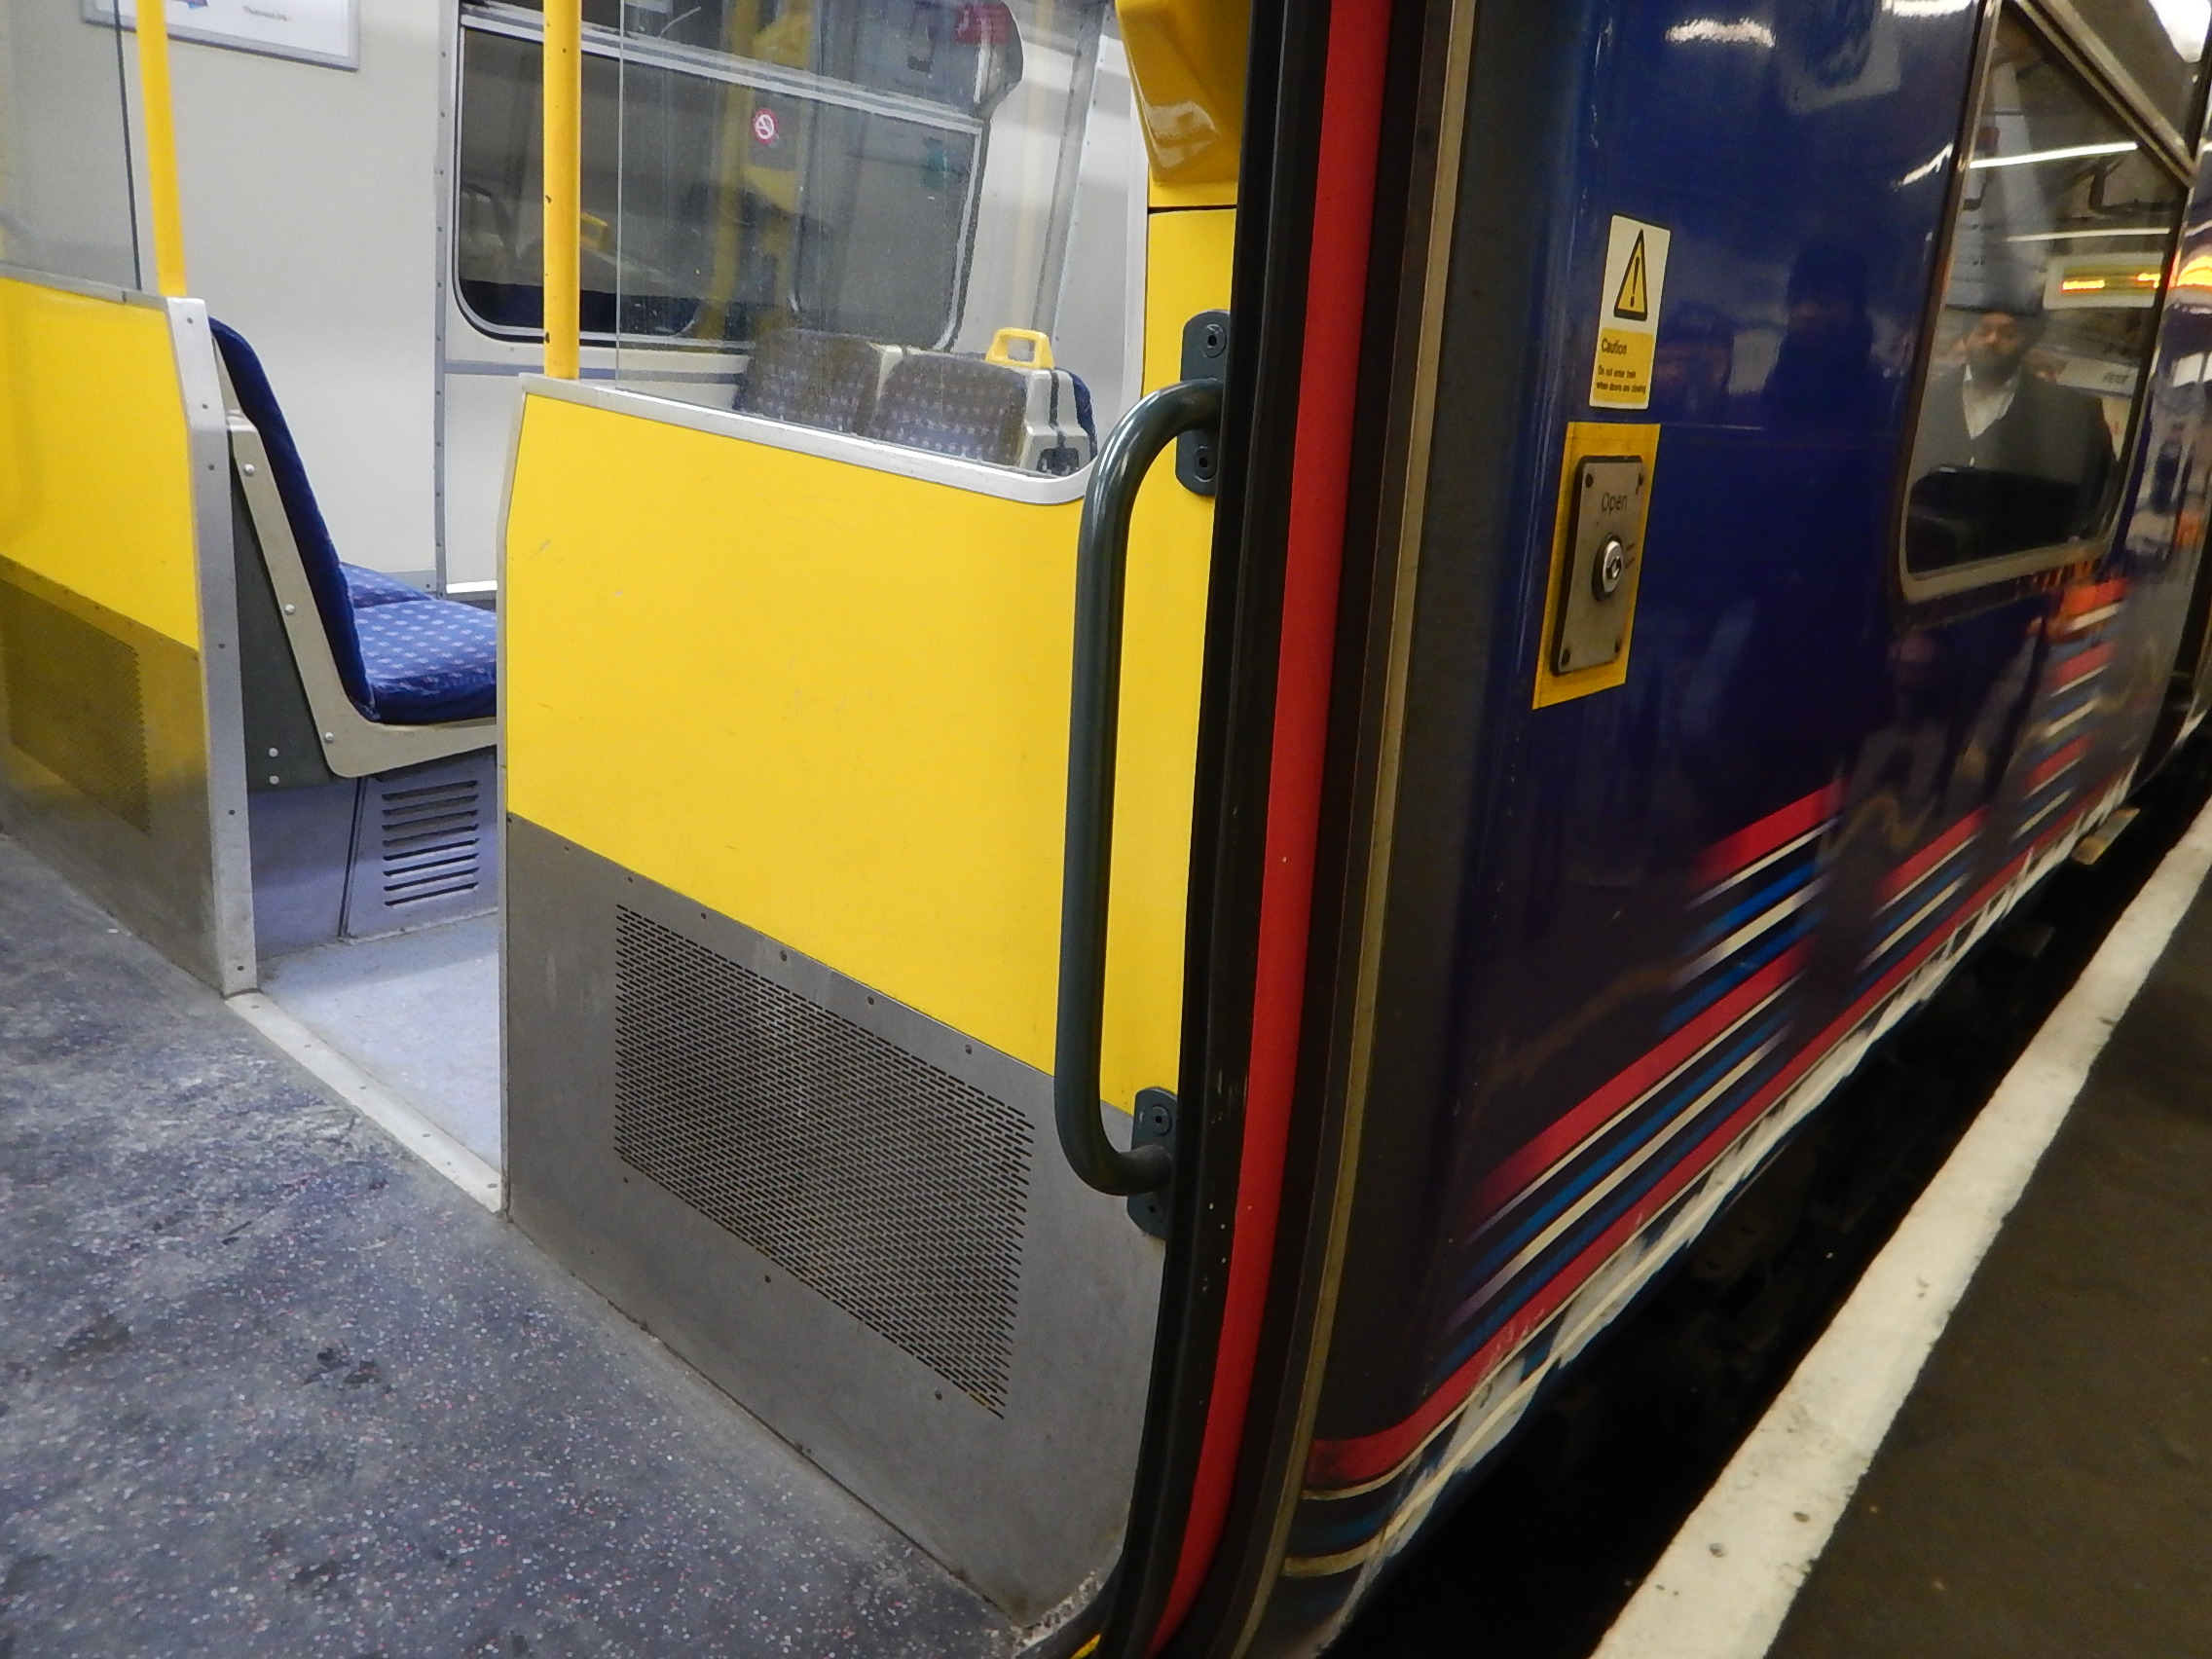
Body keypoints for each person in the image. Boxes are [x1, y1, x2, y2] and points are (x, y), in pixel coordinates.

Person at [1909, 304, 2114, 544]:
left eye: (2008, 334)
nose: (1992, 340)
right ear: (1966, 337)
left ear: (2026, 342)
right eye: (1983, 330)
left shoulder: (2073, 413)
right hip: (1930, 551)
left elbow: (2100, 491)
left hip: (2022, 557)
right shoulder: (1922, 400)